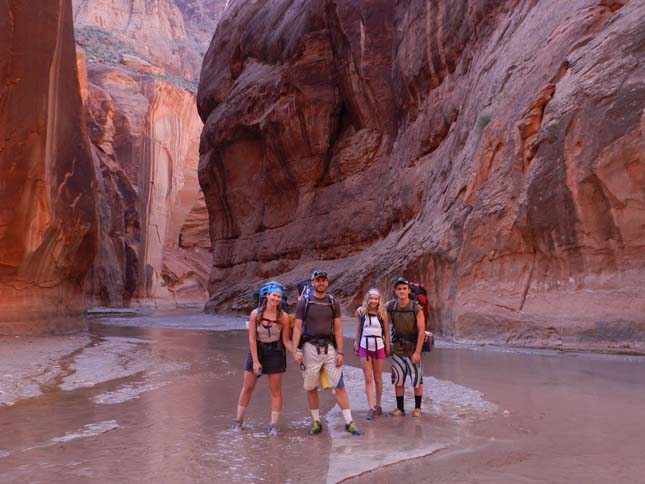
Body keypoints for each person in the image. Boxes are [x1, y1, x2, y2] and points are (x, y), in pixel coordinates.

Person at [292, 270, 362, 436]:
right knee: (311, 387)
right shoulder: (304, 303)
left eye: (323, 280)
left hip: (329, 348)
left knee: (339, 385)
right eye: (318, 281)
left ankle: (349, 422)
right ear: (313, 283)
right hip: (309, 348)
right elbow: (296, 327)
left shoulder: (333, 302)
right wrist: (295, 351)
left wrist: (341, 352)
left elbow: (338, 328)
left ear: (327, 283)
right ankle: (316, 422)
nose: (321, 283)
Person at [233, 283, 292, 435]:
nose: (276, 299)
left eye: (279, 297)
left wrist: (296, 352)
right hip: (257, 351)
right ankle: (238, 422)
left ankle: (273, 425)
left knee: (276, 391)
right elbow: (252, 338)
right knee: (247, 388)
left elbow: (286, 341)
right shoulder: (255, 314)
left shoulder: (284, 317)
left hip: (276, 353)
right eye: (274, 295)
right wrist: (256, 360)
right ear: (267, 295)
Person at [386, 276, 426, 417]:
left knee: (417, 379)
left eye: (404, 289)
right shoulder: (391, 306)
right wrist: (362, 309)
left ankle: (417, 408)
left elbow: (422, 331)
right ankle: (400, 408)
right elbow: (376, 310)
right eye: (399, 289)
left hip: (414, 347)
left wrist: (418, 352)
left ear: (409, 290)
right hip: (398, 348)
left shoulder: (416, 308)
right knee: (398, 379)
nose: (402, 291)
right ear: (395, 291)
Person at [354, 288, 390, 420]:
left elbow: (386, 332)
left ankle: (378, 405)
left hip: (379, 347)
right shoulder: (361, 312)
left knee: (378, 377)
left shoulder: (382, 314)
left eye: (376, 298)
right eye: (371, 298)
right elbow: (359, 329)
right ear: (367, 299)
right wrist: (356, 344)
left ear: (379, 300)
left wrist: (387, 347)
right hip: (365, 346)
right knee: (368, 378)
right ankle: (371, 408)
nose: (374, 301)